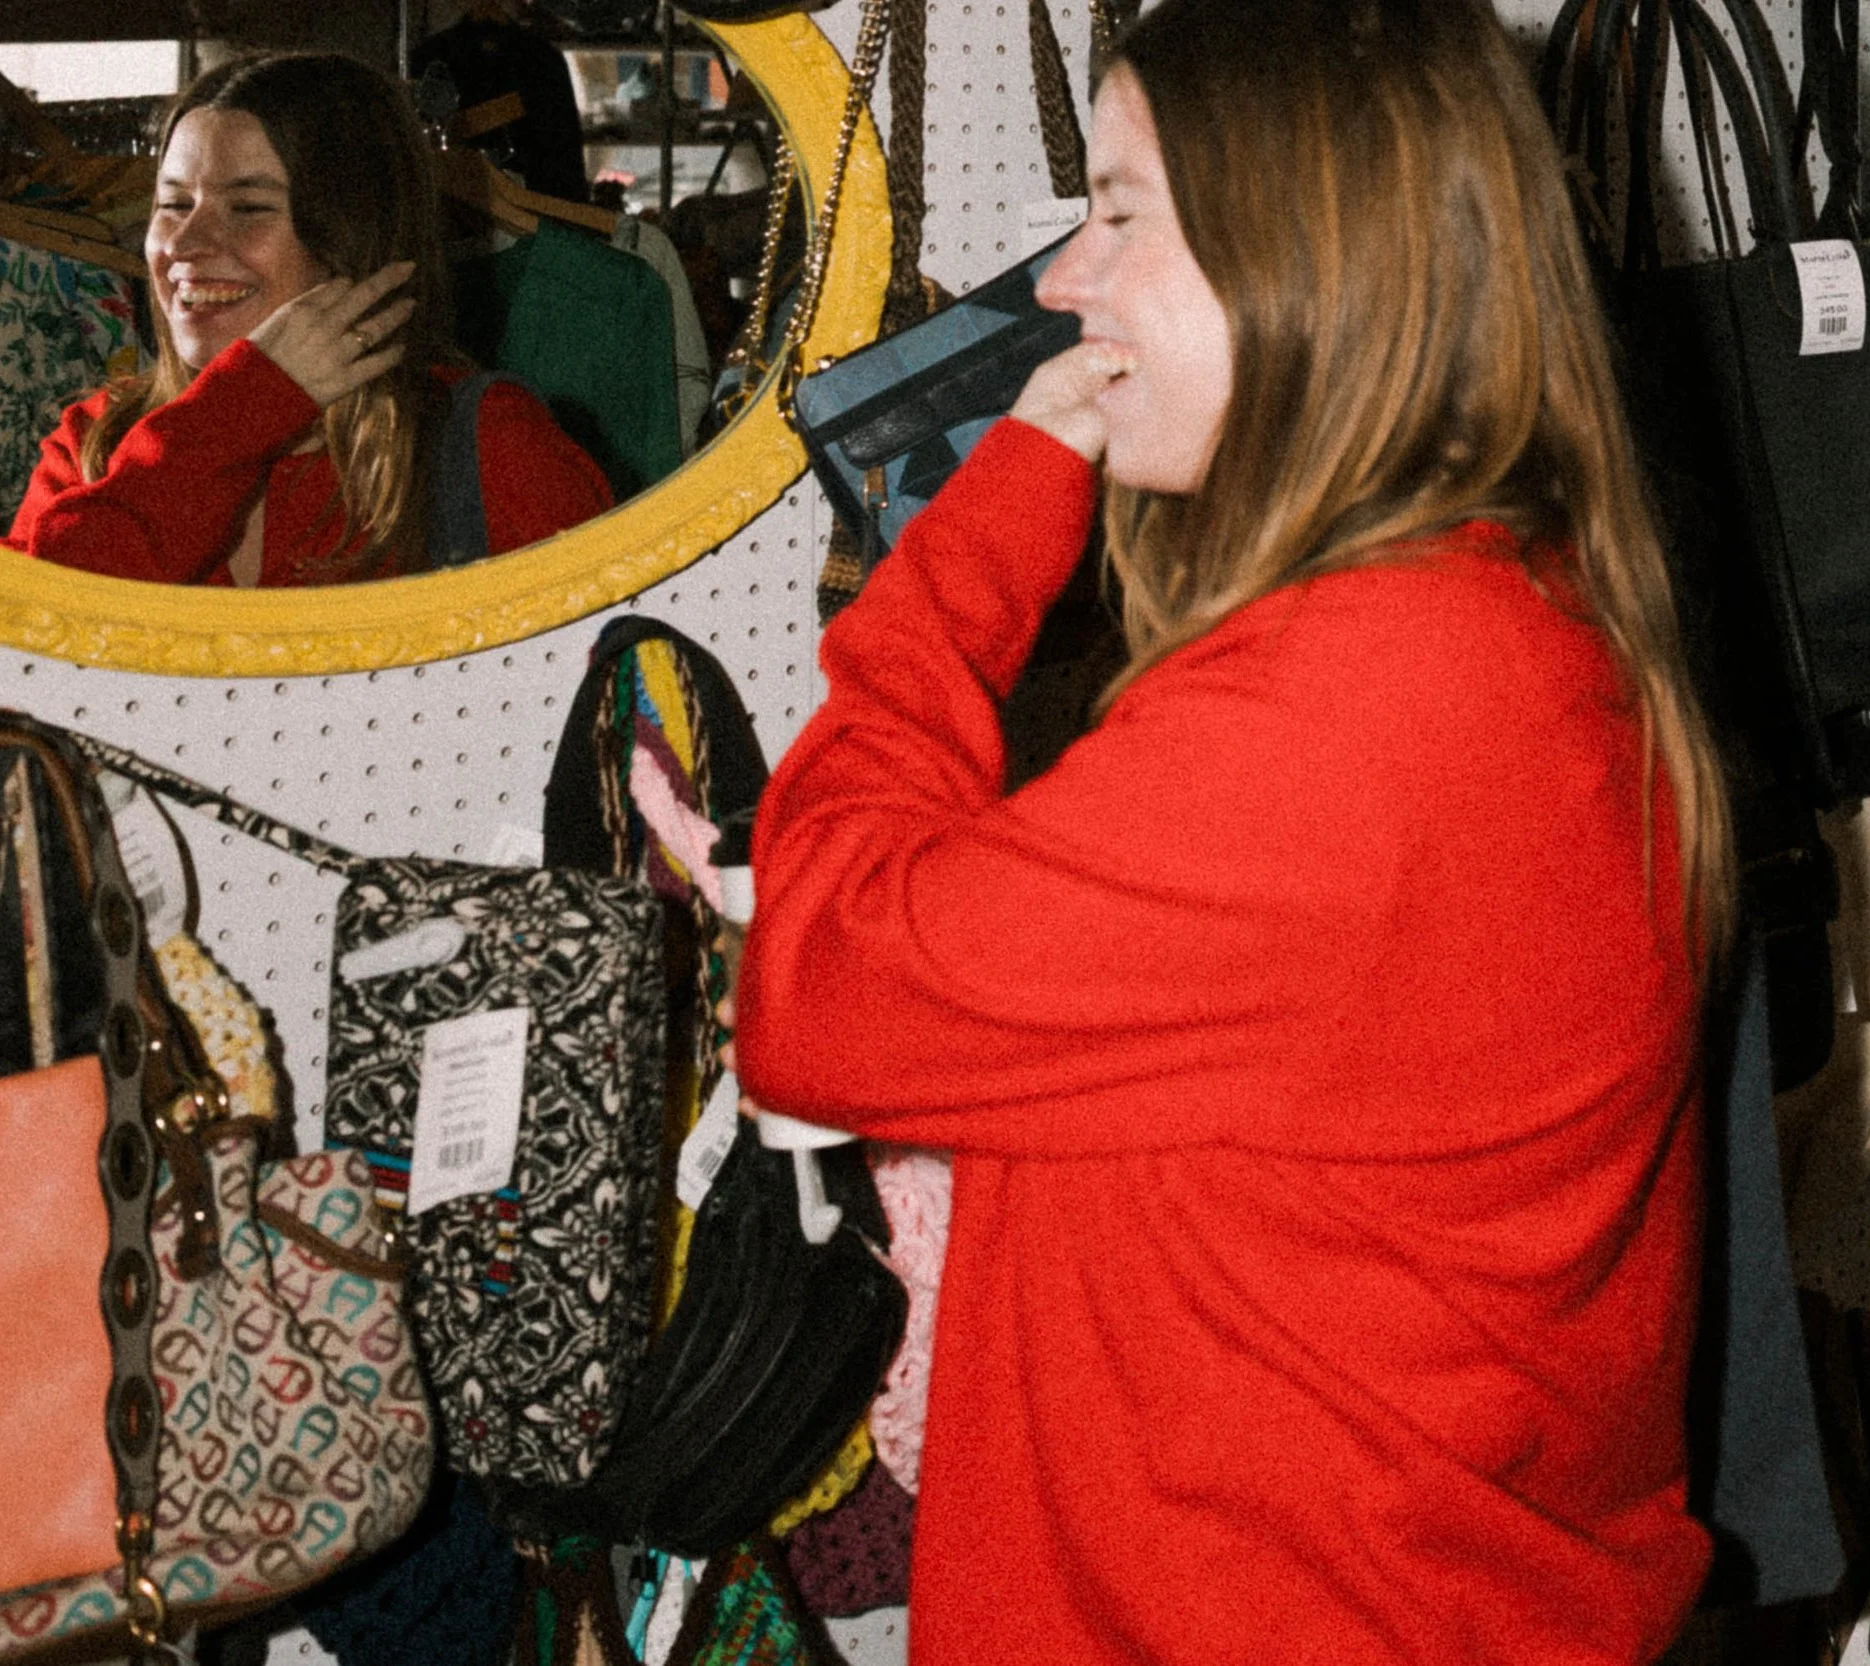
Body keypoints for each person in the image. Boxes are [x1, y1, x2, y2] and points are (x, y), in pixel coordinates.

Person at [731, 0, 1733, 1661]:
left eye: (1120, 212)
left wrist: (973, 546)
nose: (1065, 283)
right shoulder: (1514, 620)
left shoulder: (1356, 704)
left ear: (1305, 248)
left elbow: (817, 988)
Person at [0, 52, 610, 587]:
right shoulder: (92, 444)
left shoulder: (486, 446)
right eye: (173, 204)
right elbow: (28, 640)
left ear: (351, 236)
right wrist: (241, 409)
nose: (184, 244)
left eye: (247, 208)